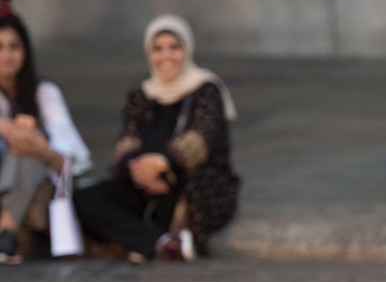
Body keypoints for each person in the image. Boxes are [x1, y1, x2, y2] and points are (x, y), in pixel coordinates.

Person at [74, 14, 239, 263]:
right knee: (84, 199)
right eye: (157, 49)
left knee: (183, 192)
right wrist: (141, 170)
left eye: (174, 48)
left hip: (191, 180)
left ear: (187, 49)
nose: (166, 57)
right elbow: (126, 142)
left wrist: (161, 164)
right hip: (146, 183)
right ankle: (160, 243)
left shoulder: (206, 89)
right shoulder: (142, 94)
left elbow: (200, 138)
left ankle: (145, 240)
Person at [0, 14, 91, 264]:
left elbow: (66, 161)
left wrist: (40, 147)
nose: (6, 55)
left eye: (14, 47)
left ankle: (6, 229)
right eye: (0, 47)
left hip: (38, 188)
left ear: (26, 52)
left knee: (27, 152)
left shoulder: (44, 93)